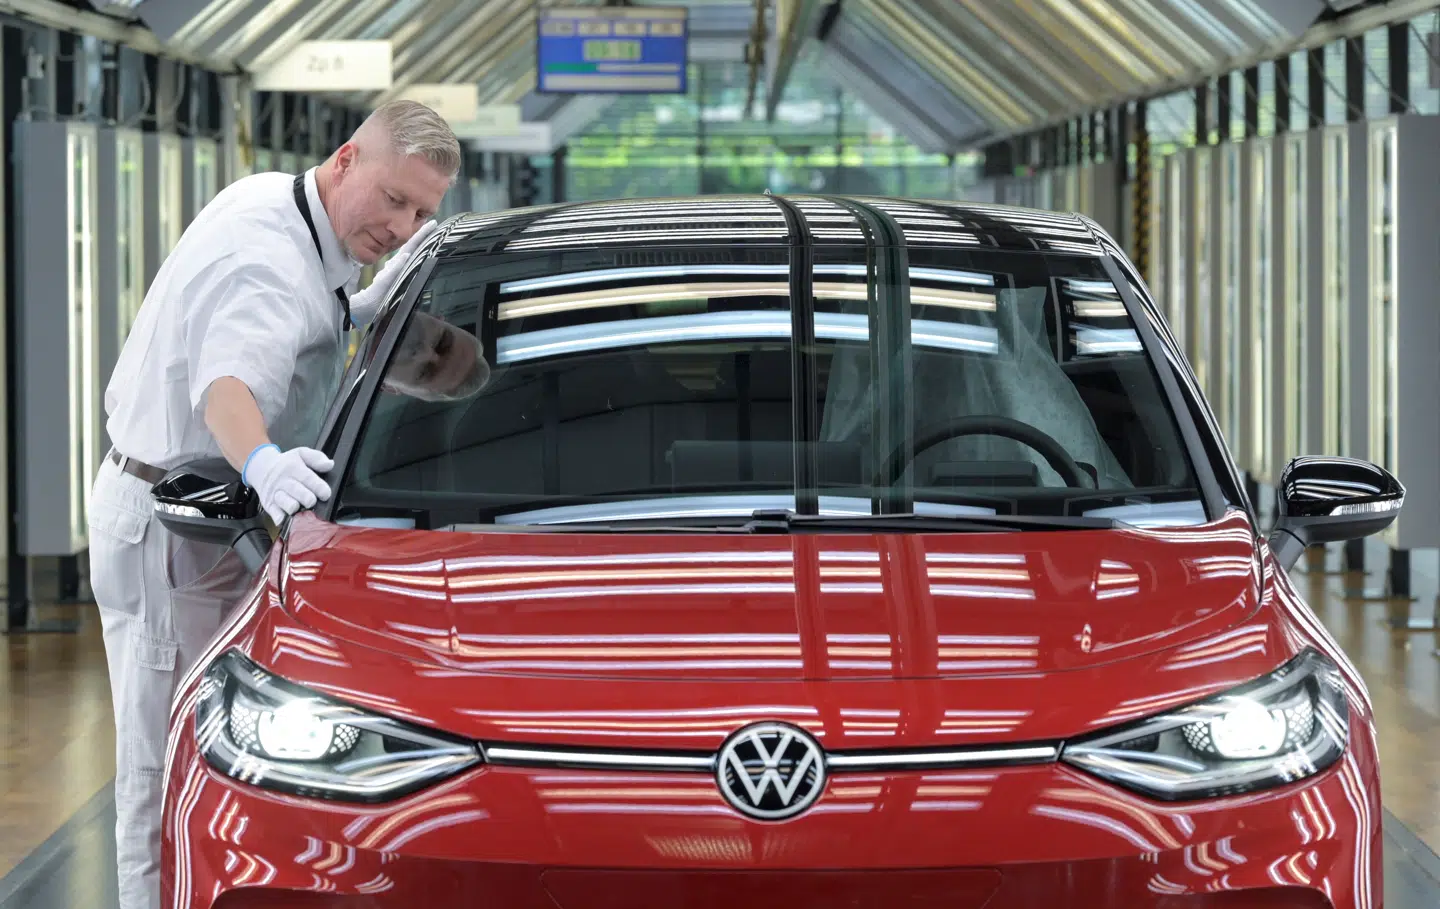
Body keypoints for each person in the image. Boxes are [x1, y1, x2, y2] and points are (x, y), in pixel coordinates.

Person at [87, 99, 462, 909]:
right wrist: (261, 460)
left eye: (420, 211)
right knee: (161, 760)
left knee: (206, 748)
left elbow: (295, 314)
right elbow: (228, 387)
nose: (401, 225)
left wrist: (354, 311)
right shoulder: (265, 261)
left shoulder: (287, 208)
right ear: (346, 158)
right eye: (394, 198)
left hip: (209, 518)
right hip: (171, 520)